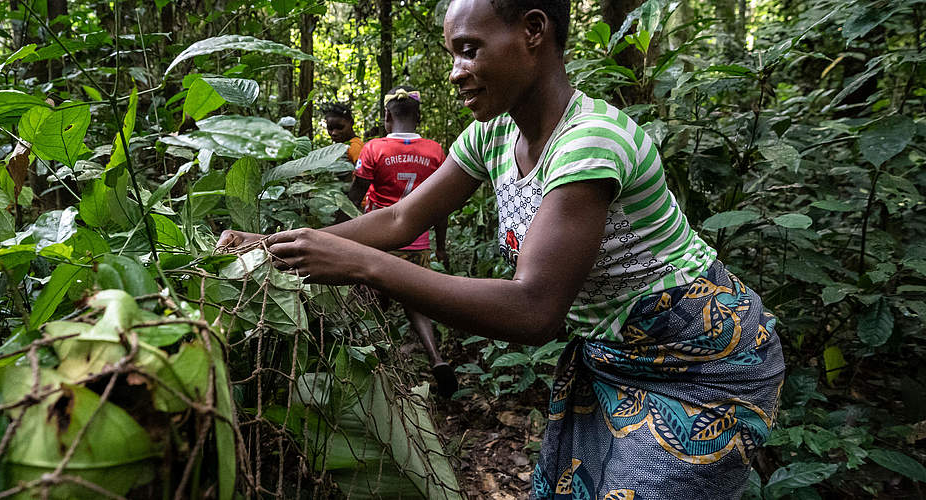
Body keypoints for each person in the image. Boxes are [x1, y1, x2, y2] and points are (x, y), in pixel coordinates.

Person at [218, 0, 785, 497]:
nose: (457, 73)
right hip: (611, 354)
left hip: (698, 364)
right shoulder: (493, 135)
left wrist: (366, 266)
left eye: (469, 50)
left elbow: (535, 310)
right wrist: (271, 248)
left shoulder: (590, 142)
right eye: (453, 55)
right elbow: (400, 217)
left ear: (533, 31)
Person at [347, 85, 457, 397]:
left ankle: (383, 369)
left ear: (387, 116)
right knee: (416, 303)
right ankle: (436, 358)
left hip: (379, 242)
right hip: (417, 244)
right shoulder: (435, 151)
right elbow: (440, 206)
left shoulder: (374, 149)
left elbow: (355, 196)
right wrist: (441, 245)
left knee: (371, 305)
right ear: (418, 116)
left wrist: (334, 231)